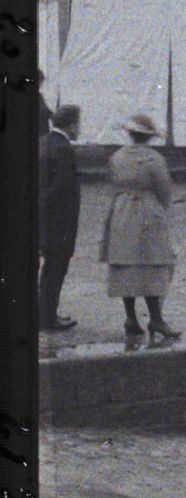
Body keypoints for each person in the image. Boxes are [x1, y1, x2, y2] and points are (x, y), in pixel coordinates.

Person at [99, 113, 179, 350]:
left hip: (121, 212)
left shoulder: (117, 157)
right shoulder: (153, 159)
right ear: (149, 137)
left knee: (126, 265)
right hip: (147, 212)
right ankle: (156, 319)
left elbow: (112, 184)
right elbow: (164, 191)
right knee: (153, 264)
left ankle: (131, 318)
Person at [40, 104, 83, 333]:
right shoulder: (64, 149)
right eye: (79, 123)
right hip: (59, 223)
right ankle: (48, 317)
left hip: (46, 222)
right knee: (55, 269)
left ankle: (45, 313)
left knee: (49, 269)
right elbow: (60, 189)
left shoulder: (44, 141)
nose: (80, 128)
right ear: (72, 124)